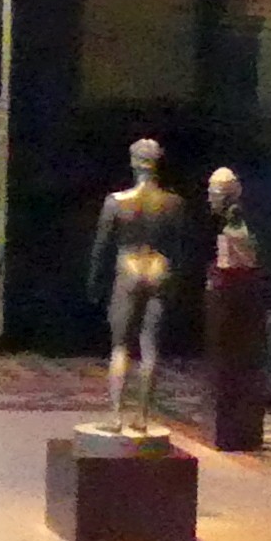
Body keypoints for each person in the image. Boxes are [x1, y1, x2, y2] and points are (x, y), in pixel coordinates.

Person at [84, 138, 185, 437]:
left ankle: (116, 415)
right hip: (158, 268)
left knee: (120, 346)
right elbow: (179, 249)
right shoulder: (173, 203)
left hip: (128, 268)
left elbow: (101, 248)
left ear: (133, 162)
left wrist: (94, 282)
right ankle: (142, 417)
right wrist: (177, 283)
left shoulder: (116, 202)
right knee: (150, 346)